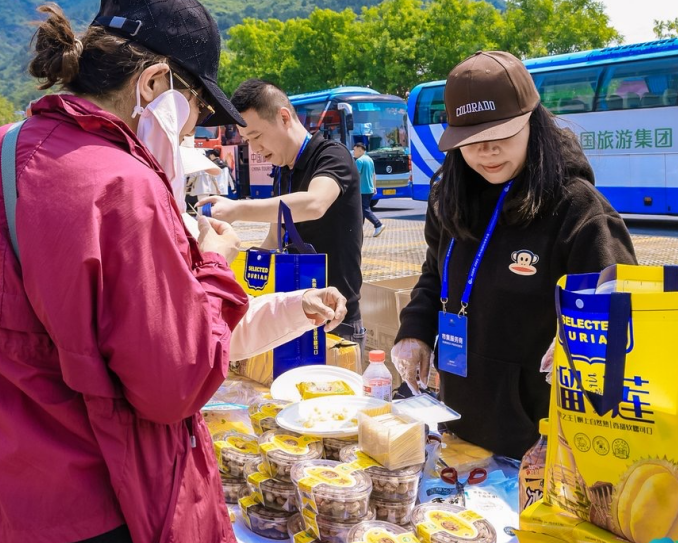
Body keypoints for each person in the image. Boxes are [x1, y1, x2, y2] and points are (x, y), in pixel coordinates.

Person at [0, 0, 253, 543]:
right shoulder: (123, 184)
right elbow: (172, 386)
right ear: (154, 84)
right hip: (83, 526)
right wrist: (213, 267)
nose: (191, 125)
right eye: (192, 103)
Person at [392, 51, 637, 459]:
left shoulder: (579, 209)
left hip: (538, 441)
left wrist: (580, 341)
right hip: (456, 419)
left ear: (532, 122)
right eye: (470, 140)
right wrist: (414, 329)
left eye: (500, 135)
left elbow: (620, 303)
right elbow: (435, 273)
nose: (485, 151)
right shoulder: (450, 196)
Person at [199, 79, 366, 347]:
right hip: (295, 314)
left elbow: (314, 203)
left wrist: (238, 208)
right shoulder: (283, 171)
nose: (254, 149)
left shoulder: (332, 155)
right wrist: (229, 265)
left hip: (334, 317)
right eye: (246, 141)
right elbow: (275, 240)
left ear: (284, 117)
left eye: (256, 137)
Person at [353, 141, 385, 238]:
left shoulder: (359, 161)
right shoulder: (370, 159)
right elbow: (373, 174)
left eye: (354, 150)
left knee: (364, 209)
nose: (353, 152)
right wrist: (374, 187)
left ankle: (378, 224)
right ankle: (358, 231)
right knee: (362, 210)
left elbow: (355, 176)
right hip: (370, 189)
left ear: (360, 149)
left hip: (362, 190)